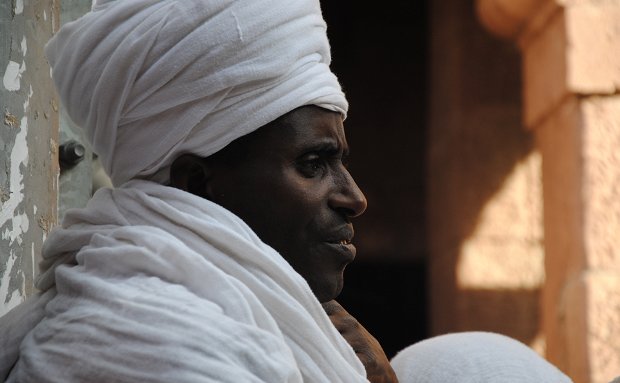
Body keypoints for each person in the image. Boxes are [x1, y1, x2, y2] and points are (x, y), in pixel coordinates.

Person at [0, 1, 576, 382]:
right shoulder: (140, 340)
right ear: (198, 184)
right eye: (313, 163)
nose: (354, 197)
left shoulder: (234, 323)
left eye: (339, 163)